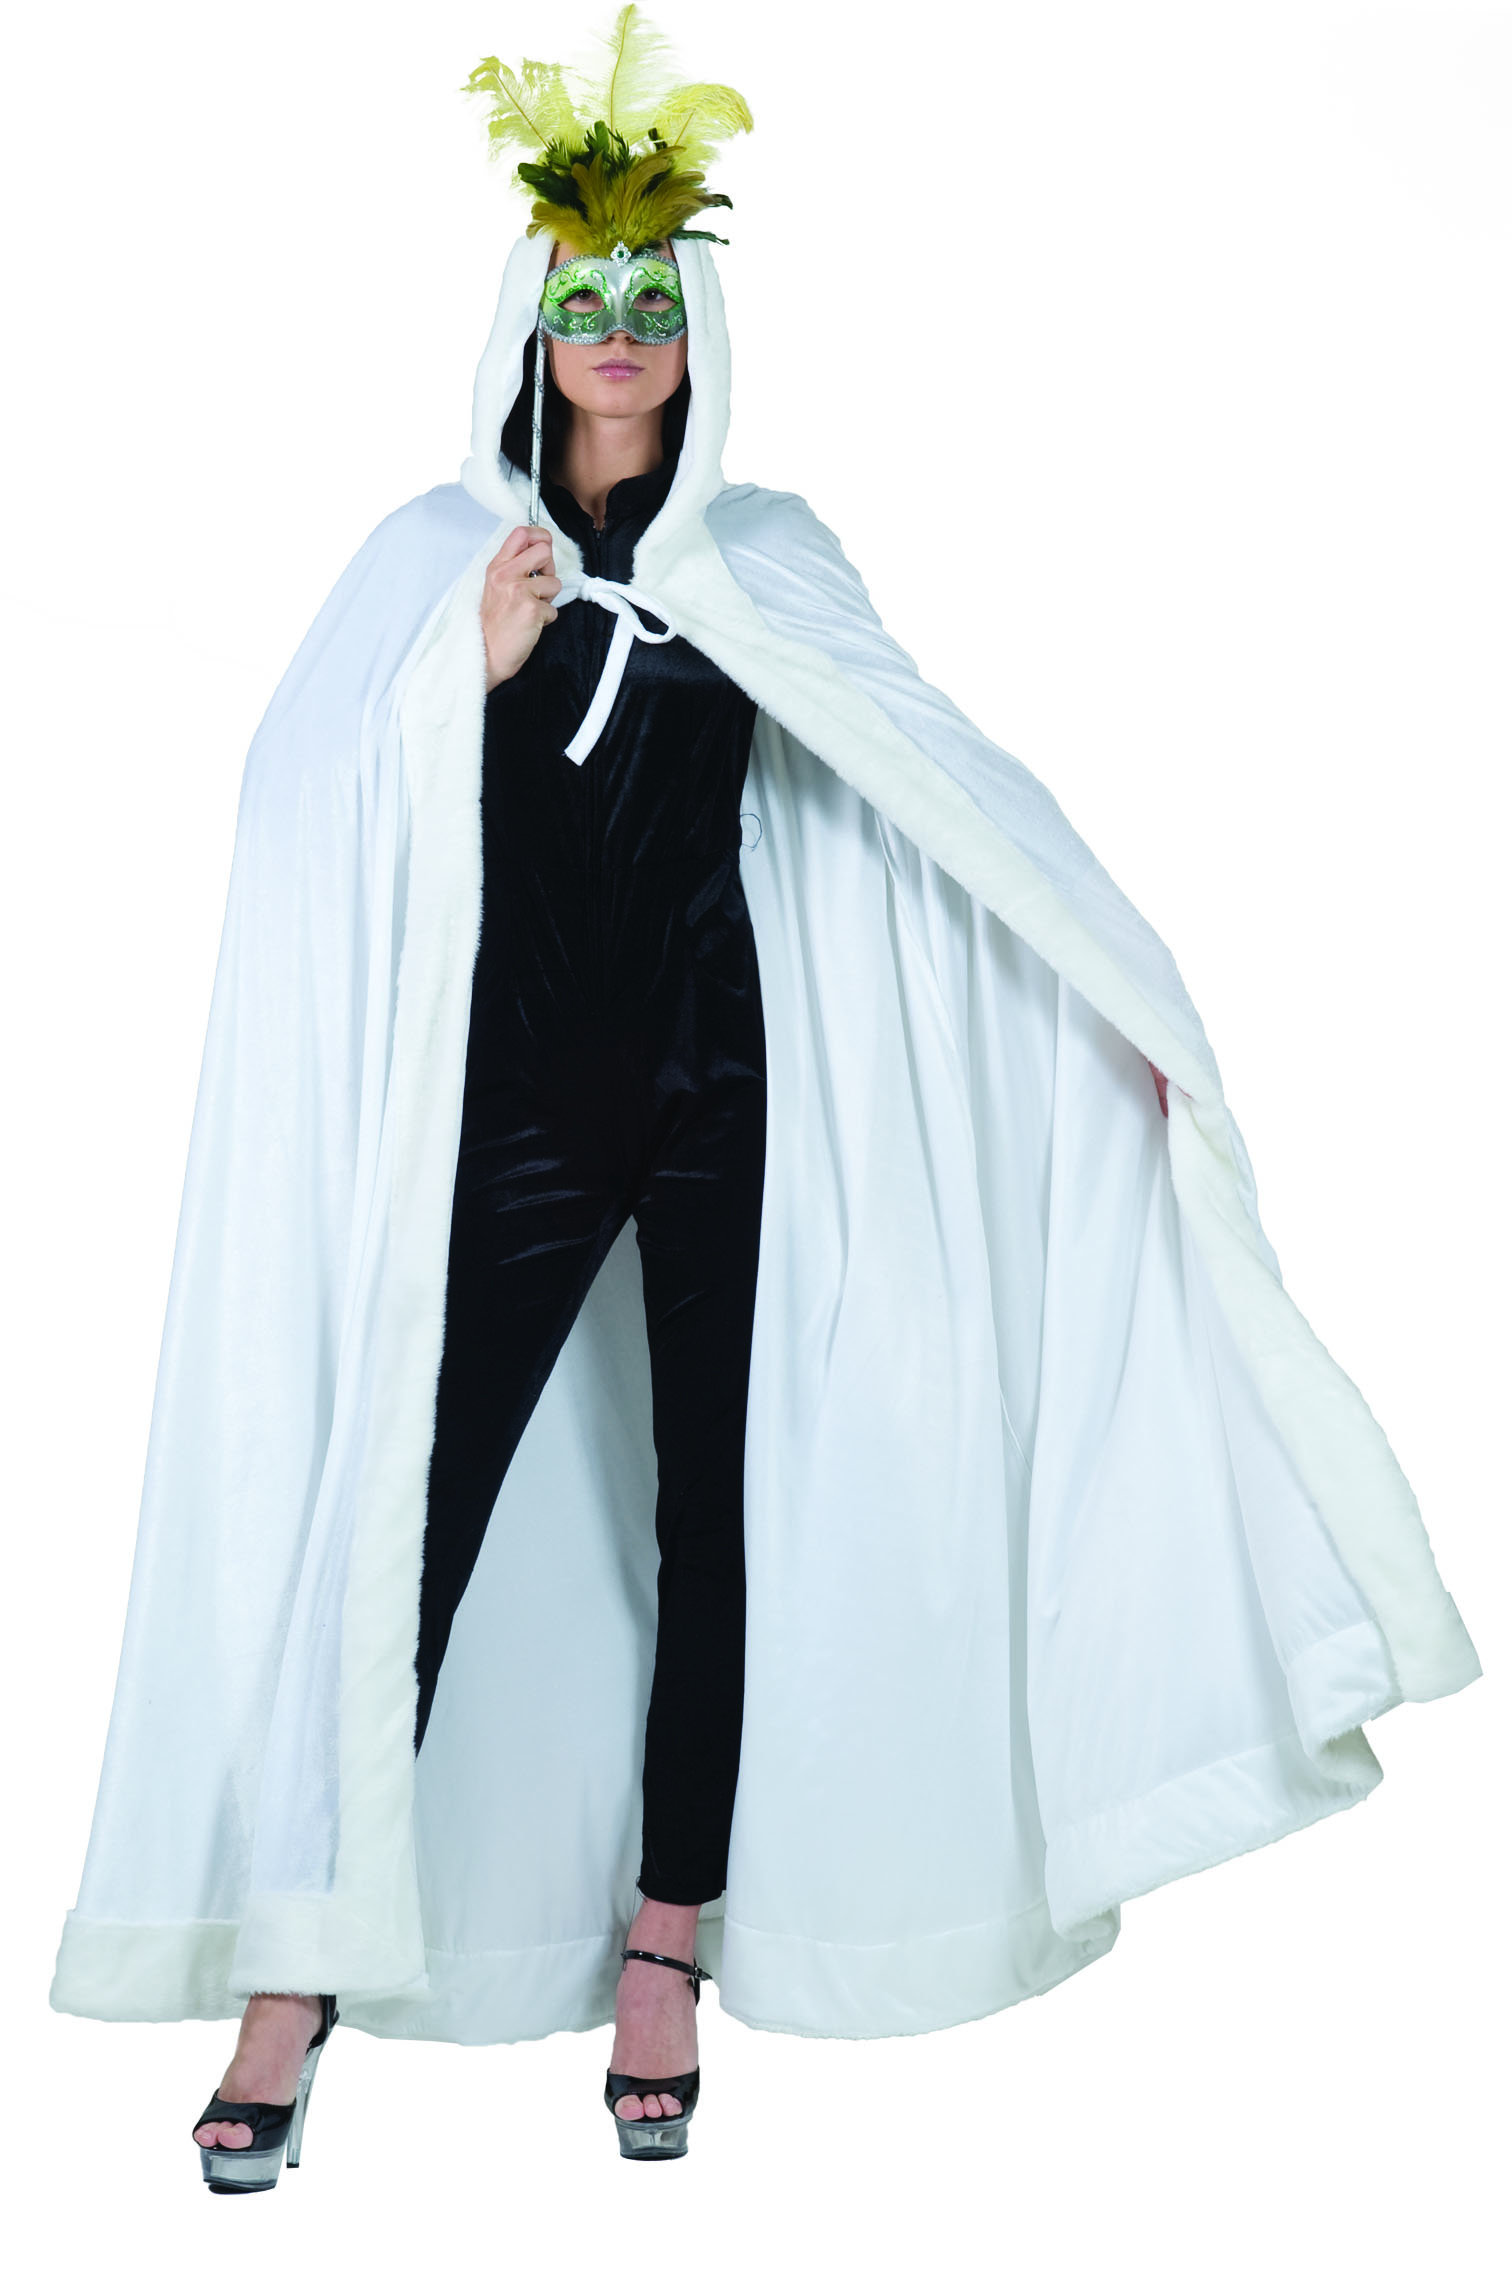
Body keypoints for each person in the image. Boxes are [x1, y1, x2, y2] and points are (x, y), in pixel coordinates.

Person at [53, 6, 1481, 2187]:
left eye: (655, 297)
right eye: (586, 298)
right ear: (530, 326)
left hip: (719, 1094)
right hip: (514, 1107)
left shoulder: (768, 560)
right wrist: (470, 675)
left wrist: (1088, 1004)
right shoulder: (435, 566)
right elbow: (296, 819)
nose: (620, 333)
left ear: (697, 331)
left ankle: (669, 1938)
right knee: (409, 1506)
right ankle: (297, 1964)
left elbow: (938, 793)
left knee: (709, 1514)